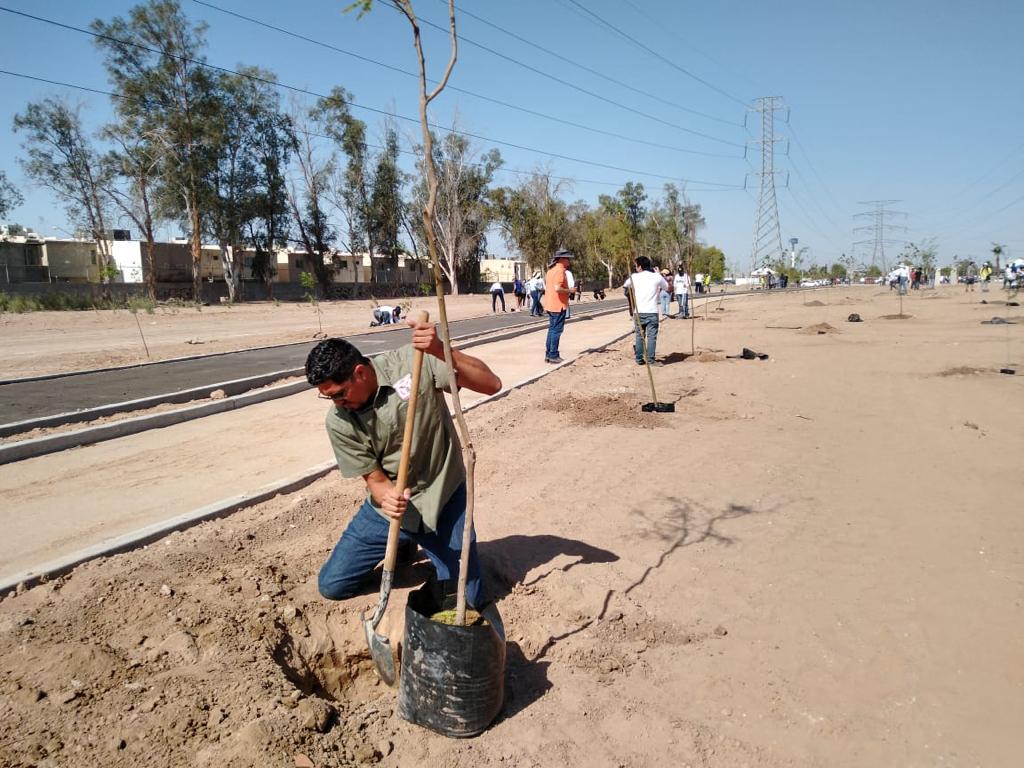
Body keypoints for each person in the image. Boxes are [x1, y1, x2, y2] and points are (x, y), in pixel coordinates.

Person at [305, 322, 504, 630]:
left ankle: (425, 547)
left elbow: (491, 384)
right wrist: (385, 495)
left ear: (360, 372)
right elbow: (373, 478)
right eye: (329, 397)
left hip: (443, 496)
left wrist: (439, 349)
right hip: (393, 510)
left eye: (340, 394)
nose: (337, 403)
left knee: (466, 598)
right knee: (333, 586)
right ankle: (403, 544)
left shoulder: (414, 363)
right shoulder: (339, 422)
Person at [623, 255, 668, 366]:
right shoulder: (656, 277)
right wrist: (658, 274)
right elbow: (667, 287)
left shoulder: (634, 277)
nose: (635, 268)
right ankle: (651, 359)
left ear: (640, 267)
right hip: (652, 311)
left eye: (636, 266)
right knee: (651, 336)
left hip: (638, 312)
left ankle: (639, 359)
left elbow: (625, 285)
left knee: (639, 336)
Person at [543, 248, 574, 363]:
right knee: (556, 331)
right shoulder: (560, 271)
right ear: (561, 259)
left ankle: (548, 353)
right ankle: (553, 354)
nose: (569, 261)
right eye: (567, 259)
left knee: (551, 330)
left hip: (550, 304)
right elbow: (558, 288)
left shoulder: (550, 271)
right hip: (558, 305)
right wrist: (570, 290)